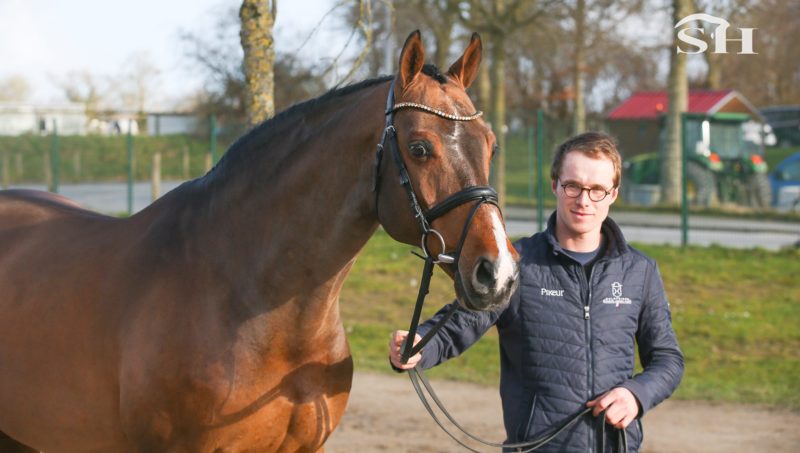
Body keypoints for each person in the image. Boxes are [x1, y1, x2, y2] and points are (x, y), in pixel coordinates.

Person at [389, 132, 684, 452]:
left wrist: (635, 395)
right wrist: (420, 344)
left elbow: (667, 360)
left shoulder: (639, 271)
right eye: (573, 186)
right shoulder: (518, 264)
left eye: (597, 190)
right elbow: (460, 325)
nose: (584, 200)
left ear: (613, 194)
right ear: (555, 185)